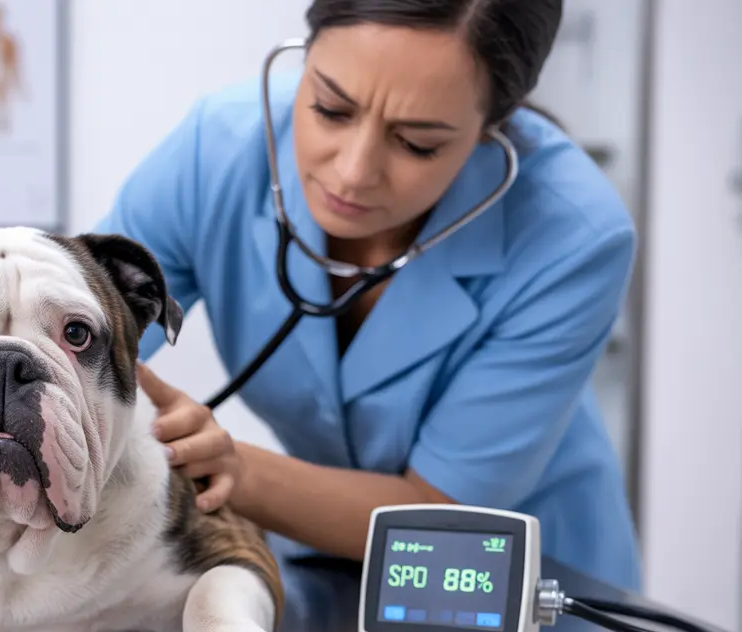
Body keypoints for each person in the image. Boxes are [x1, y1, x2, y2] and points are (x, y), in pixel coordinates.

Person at [93, 0, 643, 592]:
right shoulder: (217, 152)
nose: (354, 172)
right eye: (331, 110)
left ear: (492, 126)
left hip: (515, 577)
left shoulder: (574, 233)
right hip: (316, 558)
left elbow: (439, 509)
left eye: (417, 143)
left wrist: (232, 468)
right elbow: (83, 330)